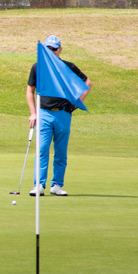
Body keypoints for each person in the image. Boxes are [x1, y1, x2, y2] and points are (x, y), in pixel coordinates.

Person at [26, 34, 90, 197]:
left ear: (60, 50)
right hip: (44, 114)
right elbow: (30, 90)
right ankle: (39, 184)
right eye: (48, 49)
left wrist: (75, 104)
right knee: (42, 150)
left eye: (54, 49)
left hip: (63, 114)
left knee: (60, 152)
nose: (52, 51)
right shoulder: (38, 67)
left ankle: (57, 185)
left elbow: (87, 83)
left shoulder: (67, 67)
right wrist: (33, 113)